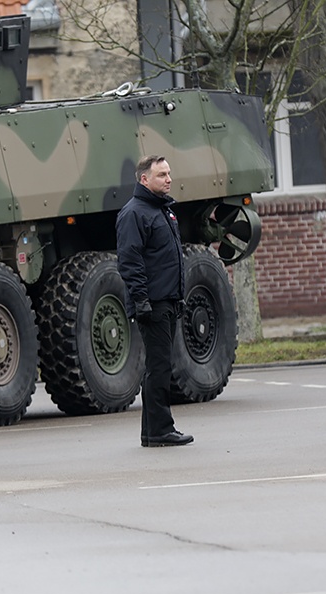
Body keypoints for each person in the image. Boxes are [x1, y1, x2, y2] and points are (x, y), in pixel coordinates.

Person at [116, 155, 193, 447]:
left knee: (159, 365)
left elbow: (168, 259)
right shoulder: (134, 213)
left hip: (167, 299)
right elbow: (130, 261)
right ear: (144, 179)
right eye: (161, 175)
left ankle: (152, 431)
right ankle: (161, 430)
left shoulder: (163, 211)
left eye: (169, 173)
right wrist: (141, 301)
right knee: (159, 367)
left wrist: (179, 296)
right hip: (152, 302)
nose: (169, 179)